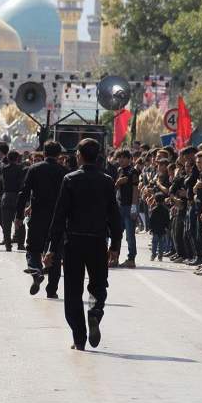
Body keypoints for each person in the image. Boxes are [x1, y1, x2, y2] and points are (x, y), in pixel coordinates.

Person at [46, 138, 122, 351]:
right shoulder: (107, 181)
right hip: (98, 241)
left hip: (74, 242)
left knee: (72, 290)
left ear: (79, 155)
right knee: (98, 284)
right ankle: (95, 312)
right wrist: (115, 245)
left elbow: (59, 216)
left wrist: (52, 248)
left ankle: (79, 339)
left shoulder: (70, 179)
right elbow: (115, 216)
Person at [16, 141, 68, 297]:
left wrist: (18, 215)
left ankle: (37, 271)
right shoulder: (64, 172)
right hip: (57, 218)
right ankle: (52, 290)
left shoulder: (34, 169)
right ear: (59, 154)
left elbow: (23, 193)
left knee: (32, 249)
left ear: (44, 152)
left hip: (38, 216)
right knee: (55, 253)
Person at [114, 149, 139, 268]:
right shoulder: (119, 170)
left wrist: (134, 207)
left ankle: (131, 258)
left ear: (129, 159)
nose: (121, 160)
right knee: (117, 233)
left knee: (130, 234)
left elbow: (135, 189)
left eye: (124, 157)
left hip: (129, 206)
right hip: (119, 205)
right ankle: (114, 257)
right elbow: (116, 187)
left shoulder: (133, 172)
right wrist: (118, 183)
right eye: (119, 157)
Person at [0, 150, 24, 252]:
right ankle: (20, 244)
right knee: (19, 220)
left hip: (6, 196)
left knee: (6, 222)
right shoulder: (20, 168)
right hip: (17, 196)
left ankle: (8, 245)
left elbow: (2, 163)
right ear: (17, 158)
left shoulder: (4, 169)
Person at [149, 192, 170, 261]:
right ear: (163, 200)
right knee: (161, 243)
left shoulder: (154, 209)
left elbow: (151, 220)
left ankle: (153, 254)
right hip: (162, 228)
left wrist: (150, 228)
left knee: (154, 242)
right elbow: (167, 219)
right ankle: (160, 256)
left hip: (155, 229)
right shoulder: (166, 210)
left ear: (155, 200)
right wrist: (167, 227)